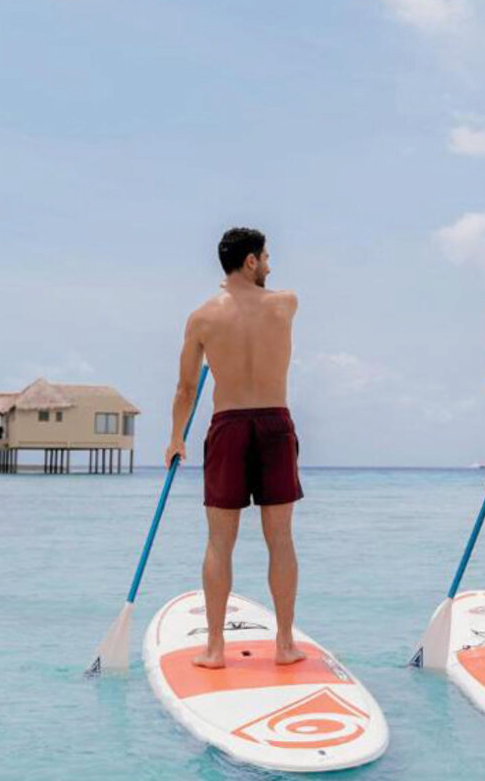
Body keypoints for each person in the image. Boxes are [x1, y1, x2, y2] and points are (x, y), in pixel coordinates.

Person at [166, 227, 306, 669]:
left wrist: (176, 438)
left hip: (227, 426)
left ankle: (214, 649)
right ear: (249, 261)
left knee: (219, 542)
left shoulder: (202, 318)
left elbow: (186, 388)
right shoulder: (285, 304)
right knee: (280, 538)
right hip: (274, 423)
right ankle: (284, 645)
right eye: (265, 257)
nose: (269, 265)